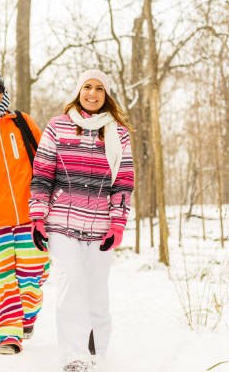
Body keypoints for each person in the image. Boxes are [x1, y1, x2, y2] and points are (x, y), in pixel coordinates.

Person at [28, 69, 134, 371]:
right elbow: (42, 174)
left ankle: (97, 349)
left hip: (101, 226)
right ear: (78, 91)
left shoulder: (118, 133)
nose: (92, 93)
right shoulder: (58, 127)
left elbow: (123, 182)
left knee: (96, 290)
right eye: (87, 87)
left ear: (106, 95)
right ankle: (74, 355)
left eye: (99, 88)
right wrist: (38, 217)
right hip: (62, 223)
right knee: (71, 284)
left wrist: (118, 224)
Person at [0, 66, 50, 355]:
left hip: (31, 218)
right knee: (1, 283)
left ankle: (25, 317)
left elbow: (45, 162)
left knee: (33, 281)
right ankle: (6, 334)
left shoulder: (23, 123)